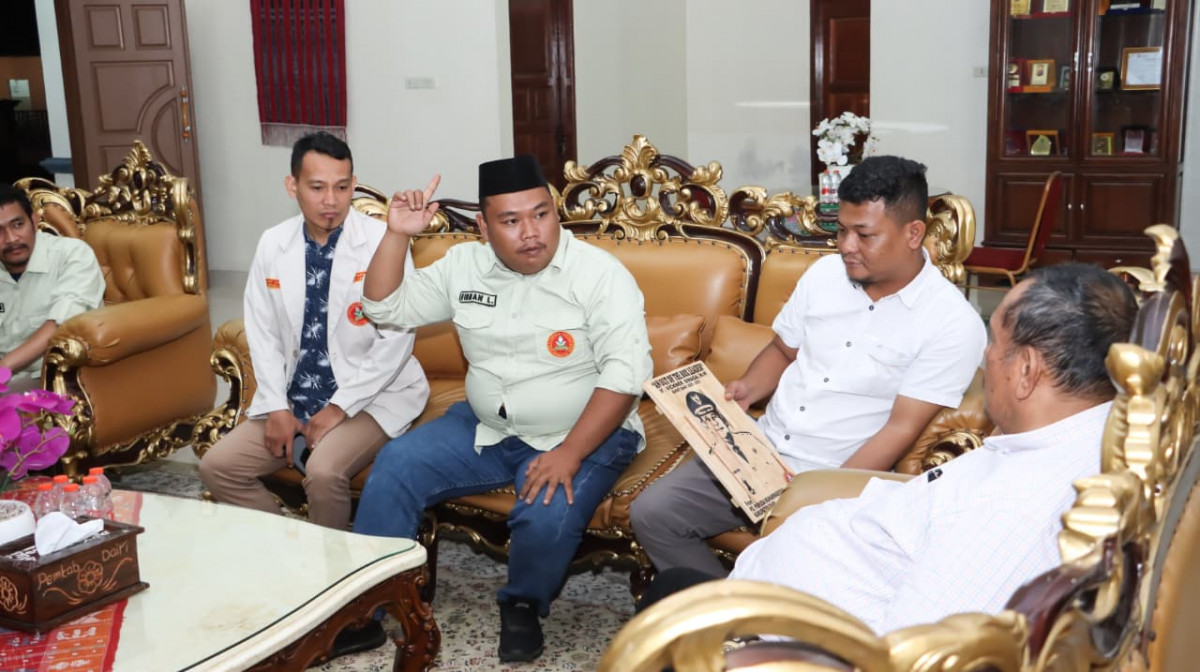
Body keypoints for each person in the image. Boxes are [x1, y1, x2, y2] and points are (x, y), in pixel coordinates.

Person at [637, 264, 1138, 635]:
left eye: (994, 342)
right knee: (672, 583)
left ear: (1026, 371)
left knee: (660, 624)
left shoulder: (1015, 511)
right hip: (792, 576)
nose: (985, 357)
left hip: (785, 633)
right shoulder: (1075, 434)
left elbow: (908, 653)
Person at [352, 155, 652, 662]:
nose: (531, 232)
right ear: (483, 227)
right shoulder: (463, 267)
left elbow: (624, 377)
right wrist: (397, 234)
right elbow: (384, 307)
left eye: (541, 215)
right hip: (487, 426)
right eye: (511, 221)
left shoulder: (599, 274)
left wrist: (570, 454)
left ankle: (522, 604)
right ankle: (365, 608)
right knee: (397, 464)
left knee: (548, 510)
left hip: (583, 429)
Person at [631, 156, 987, 576]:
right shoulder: (824, 275)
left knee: (790, 555)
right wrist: (748, 387)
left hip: (834, 471)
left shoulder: (952, 323)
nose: (846, 246)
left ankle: (754, 609)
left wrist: (822, 498)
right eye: (842, 230)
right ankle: (725, 608)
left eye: (864, 235)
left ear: (913, 233)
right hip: (758, 449)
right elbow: (783, 352)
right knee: (653, 513)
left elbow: (900, 429)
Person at [199, 132, 429, 537]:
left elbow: (396, 341)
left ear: (354, 185)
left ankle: (337, 571)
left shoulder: (384, 241)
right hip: (296, 398)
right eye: (317, 187)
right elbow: (263, 333)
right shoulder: (274, 243)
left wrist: (339, 408)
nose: (331, 201)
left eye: (342, 187)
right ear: (293, 186)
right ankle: (293, 551)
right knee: (218, 467)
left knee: (323, 472)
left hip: (371, 398)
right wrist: (276, 407)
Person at [0, 184, 104, 391]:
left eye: (18, 224)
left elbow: (60, 327)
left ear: (34, 220)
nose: (11, 239)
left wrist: (3, 368)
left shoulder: (72, 255)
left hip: (62, 377)